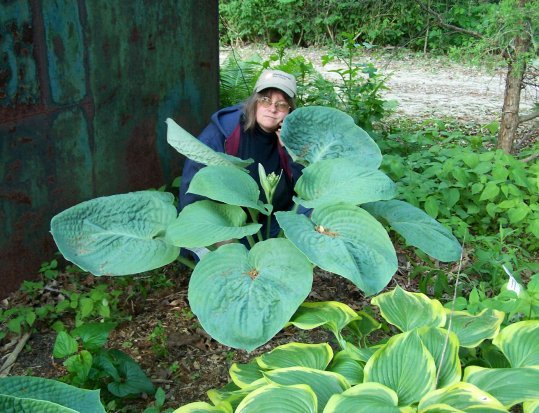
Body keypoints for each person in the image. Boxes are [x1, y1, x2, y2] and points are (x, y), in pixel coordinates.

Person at [179, 69, 304, 237]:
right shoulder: (226, 132)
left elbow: (304, 187)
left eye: (281, 104)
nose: (272, 109)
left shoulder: (291, 136)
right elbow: (194, 182)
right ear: (254, 101)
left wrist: (289, 151)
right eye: (265, 100)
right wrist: (206, 243)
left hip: (275, 224)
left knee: (312, 209)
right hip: (230, 229)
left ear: (289, 110)